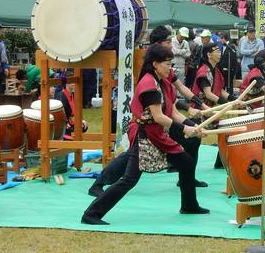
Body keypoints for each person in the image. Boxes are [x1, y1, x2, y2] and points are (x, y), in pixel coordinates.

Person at [82, 45, 209, 225]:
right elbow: (158, 116)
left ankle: (189, 205)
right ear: (155, 64)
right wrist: (185, 129)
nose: (170, 68)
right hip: (147, 137)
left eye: (171, 64)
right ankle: (91, 214)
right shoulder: (149, 84)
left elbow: (173, 113)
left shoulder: (163, 82)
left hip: (158, 135)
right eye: (167, 64)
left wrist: (193, 126)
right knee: (129, 180)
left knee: (186, 163)